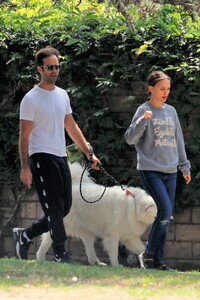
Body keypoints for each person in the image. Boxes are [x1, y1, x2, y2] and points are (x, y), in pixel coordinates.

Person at [13, 46, 100, 263]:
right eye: (50, 67)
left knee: (64, 208)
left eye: (57, 66)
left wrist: (89, 154)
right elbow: (24, 137)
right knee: (53, 208)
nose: (55, 70)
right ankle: (61, 253)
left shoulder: (62, 95)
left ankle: (25, 235)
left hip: (61, 157)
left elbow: (71, 127)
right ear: (40, 69)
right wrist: (25, 167)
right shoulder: (30, 99)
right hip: (41, 157)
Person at [125, 70, 191, 271]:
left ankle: (158, 262)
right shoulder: (143, 110)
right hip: (150, 170)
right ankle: (148, 253)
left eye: (168, 89)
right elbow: (129, 138)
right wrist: (143, 120)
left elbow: (178, 140)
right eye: (162, 89)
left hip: (171, 171)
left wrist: (184, 166)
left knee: (164, 215)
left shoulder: (171, 111)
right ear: (151, 89)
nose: (166, 93)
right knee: (165, 213)